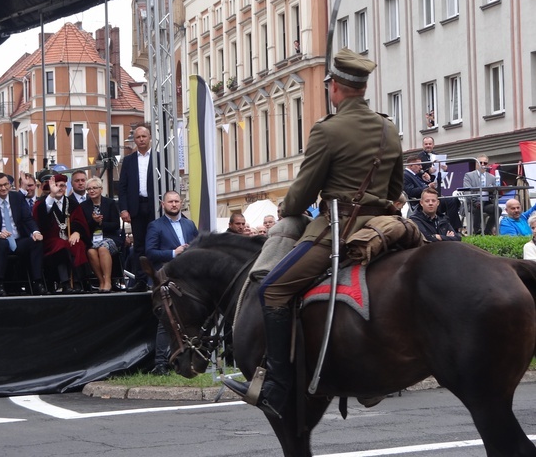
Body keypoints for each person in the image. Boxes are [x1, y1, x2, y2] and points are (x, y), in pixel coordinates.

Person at [224, 48, 403, 418]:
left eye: (329, 85)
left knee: (273, 290)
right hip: (384, 227)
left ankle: (275, 384)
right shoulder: (388, 127)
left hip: (340, 228)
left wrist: (286, 210)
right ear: (362, 87)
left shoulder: (328, 129)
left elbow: (302, 193)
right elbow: (395, 189)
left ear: (335, 87)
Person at [145, 190, 199, 374]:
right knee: (166, 320)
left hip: (188, 278)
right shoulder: (156, 226)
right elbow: (150, 252)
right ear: (163, 204)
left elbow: (199, 246)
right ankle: (160, 363)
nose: (174, 204)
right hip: (166, 278)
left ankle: (189, 358)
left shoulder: (189, 224)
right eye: (170, 202)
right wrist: (173, 253)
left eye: (177, 201)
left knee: (189, 319)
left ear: (181, 202)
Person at [0, 172, 46, 296]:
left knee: (36, 242)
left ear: (10, 185)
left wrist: (36, 232)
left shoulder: (17, 197)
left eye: (6, 184)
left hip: (18, 239)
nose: (3, 188)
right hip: (0, 239)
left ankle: (37, 282)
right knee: (2, 244)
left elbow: (27, 218)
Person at [33, 174, 90, 294]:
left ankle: (78, 282)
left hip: (70, 237)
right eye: (56, 185)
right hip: (50, 240)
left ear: (66, 187)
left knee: (78, 245)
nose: (59, 188)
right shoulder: (43, 203)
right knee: (61, 246)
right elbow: (41, 219)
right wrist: (52, 195)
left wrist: (77, 232)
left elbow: (80, 221)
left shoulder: (72, 204)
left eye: (62, 186)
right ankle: (65, 283)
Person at [118, 126, 157, 292]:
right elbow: (122, 187)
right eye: (138, 137)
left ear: (150, 138)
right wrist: (124, 209)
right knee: (139, 245)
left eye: (144, 136)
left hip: (154, 205)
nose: (141, 139)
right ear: (134, 140)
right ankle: (140, 280)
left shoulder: (159, 158)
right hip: (136, 206)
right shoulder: (128, 160)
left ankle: (157, 279)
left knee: (155, 243)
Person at [80, 177, 122, 293]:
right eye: (89, 189)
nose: (91, 191)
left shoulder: (110, 203)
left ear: (101, 189)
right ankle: (101, 281)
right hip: (93, 238)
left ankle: (108, 280)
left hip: (110, 237)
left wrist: (101, 223)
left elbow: (116, 225)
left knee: (103, 248)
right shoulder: (84, 206)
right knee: (91, 251)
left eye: (94, 188)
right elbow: (84, 227)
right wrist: (94, 221)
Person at [418, 137, 462, 231]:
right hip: (427, 188)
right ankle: (452, 228)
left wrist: (445, 168)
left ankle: (454, 227)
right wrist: (428, 170)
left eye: (430, 144)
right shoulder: (419, 157)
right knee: (448, 202)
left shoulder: (437, 155)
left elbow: (443, 171)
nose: (428, 146)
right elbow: (418, 172)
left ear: (433, 145)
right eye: (426, 144)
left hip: (437, 185)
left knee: (453, 201)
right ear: (423, 145)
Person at [463, 155, 497, 235]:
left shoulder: (492, 177)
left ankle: (487, 231)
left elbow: (495, 192)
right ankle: (477, 231)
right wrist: (475, 201)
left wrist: (492, 193)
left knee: (497, 209)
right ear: (476, 164)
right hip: (473, 203)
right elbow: (467, 191)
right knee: (479, 205)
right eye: (480, 162)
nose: (482, 164)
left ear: (488, 165)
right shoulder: (469, 175)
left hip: (487, 202)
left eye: (485, 163)